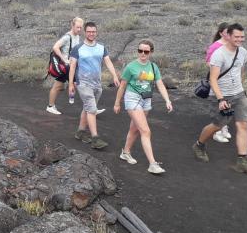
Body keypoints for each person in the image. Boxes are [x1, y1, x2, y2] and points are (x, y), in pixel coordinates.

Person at [192, 23, 247, 176]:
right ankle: (199, 145)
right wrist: (221, 99)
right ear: (228, 36)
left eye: (242, 37)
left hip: (239, 94)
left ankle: (242, 161)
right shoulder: (219, 54)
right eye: (237, 37)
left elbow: (241, 71)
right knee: (218, 125)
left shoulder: (243, 52)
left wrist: (240, 89)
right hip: (221, 95)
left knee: (243, 124)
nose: (240, 40)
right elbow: (214, 79)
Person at [113, 40, 173, 174]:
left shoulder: (153, 67)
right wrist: (117, 103)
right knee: (145, 131)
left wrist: (167, 100)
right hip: (133, 98)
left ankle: (125, 152)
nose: (143, 54)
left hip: (146, 100)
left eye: (146, 51)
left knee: (135, 129)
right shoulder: (131, 67)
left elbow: (160, 84)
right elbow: (122, 86)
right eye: (140, 51)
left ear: (151, 52)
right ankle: (152, 164)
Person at [68, 21, 120, 150]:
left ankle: (80, 132)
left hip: (97, 84)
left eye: (93, 31)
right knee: (92, 109)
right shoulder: (78, 49)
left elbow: (108, 62)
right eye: (89, 31)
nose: (91, 34)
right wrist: (70, 84)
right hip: (83, 84)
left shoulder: (101, 47)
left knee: (87, 108)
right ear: (85, 32)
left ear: (96, 32)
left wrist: (114, 75)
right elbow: (72, 67)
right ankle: (95, 138)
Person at [47, 17, 83, 115]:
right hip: (65, 66)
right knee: (78, 84)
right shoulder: (67, 37)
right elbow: (55, 47)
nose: (79, 29)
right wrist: (64, 60)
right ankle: (90, 108)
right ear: (72, 25)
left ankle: (51, 106)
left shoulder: (77, 36)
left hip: (71, 66)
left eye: (80, 28)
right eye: (77, 27)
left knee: (59, 86)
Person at [207, 23, 232, 143]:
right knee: (219, 105)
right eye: (227, 32)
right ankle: (216, 132)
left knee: (228, 104)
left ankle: (224, 128)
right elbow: (209, 63)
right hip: (218, 80)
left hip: (229, 81)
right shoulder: (214, 46)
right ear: (221, 33)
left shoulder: (232, 46)